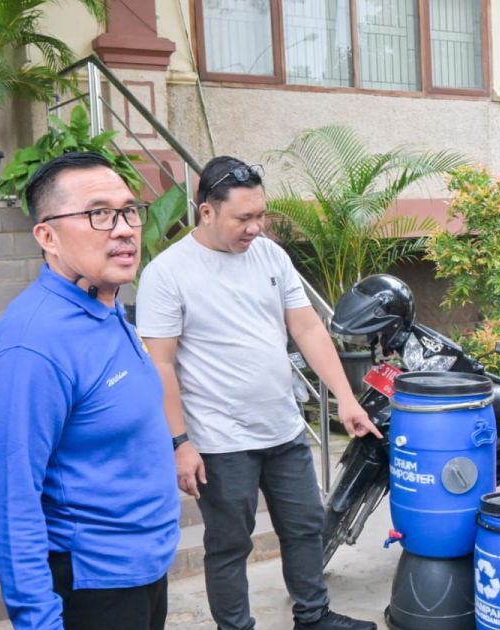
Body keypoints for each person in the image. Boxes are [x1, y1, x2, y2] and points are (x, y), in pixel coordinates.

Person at [137, 156, 380, 630]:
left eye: (260, 215)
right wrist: (179, 443)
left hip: (283, 428)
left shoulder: (270, 255)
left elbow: (308, 327)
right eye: (243, 218)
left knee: (307, 526)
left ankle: (314, 617)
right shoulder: (168, 273)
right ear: (206, 211)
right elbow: (160, 364)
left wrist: (346, 399)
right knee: (230, 544)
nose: (256, 227)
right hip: (219, 440)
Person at [0, 152, 180, 630]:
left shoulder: (107, 304)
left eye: (129, 210)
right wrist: (38, 620)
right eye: (99, 214)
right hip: (93, 585)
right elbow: (13, 502)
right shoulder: (30, 346)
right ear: (46, 236)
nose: (125, 228)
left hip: (145, 570)